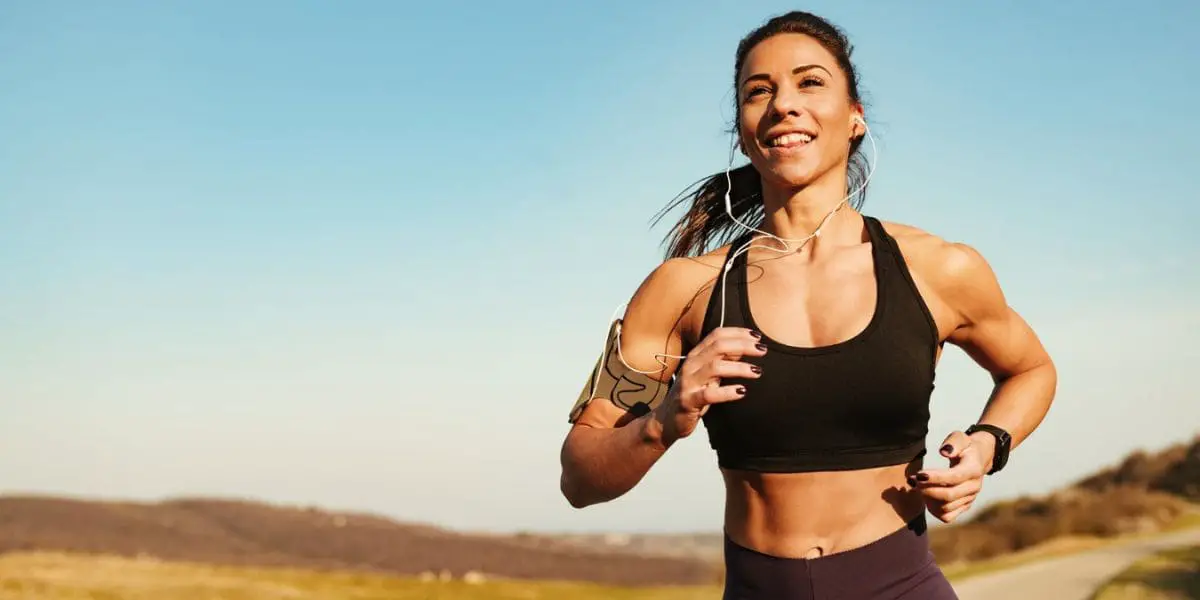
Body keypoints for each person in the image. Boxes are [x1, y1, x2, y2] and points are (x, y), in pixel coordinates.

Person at [558, 10, 1057, 600]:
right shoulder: (682, 289)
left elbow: (1031, 369)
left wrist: (987, 443)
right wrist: (664, 419)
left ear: (855, 119)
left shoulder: (939, 269)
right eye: (757, 91)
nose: (783, 104)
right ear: (744, 131)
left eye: (810, 82)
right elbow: (580, 477)